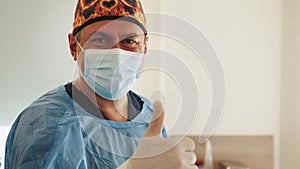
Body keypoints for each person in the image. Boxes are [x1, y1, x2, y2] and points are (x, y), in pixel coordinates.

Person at [5, 0, 197, 168]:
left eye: (130, 41)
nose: (117, 54)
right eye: (100, 40)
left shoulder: (148, 117)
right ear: (74, 47)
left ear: (144, 47)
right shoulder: (44, 122)